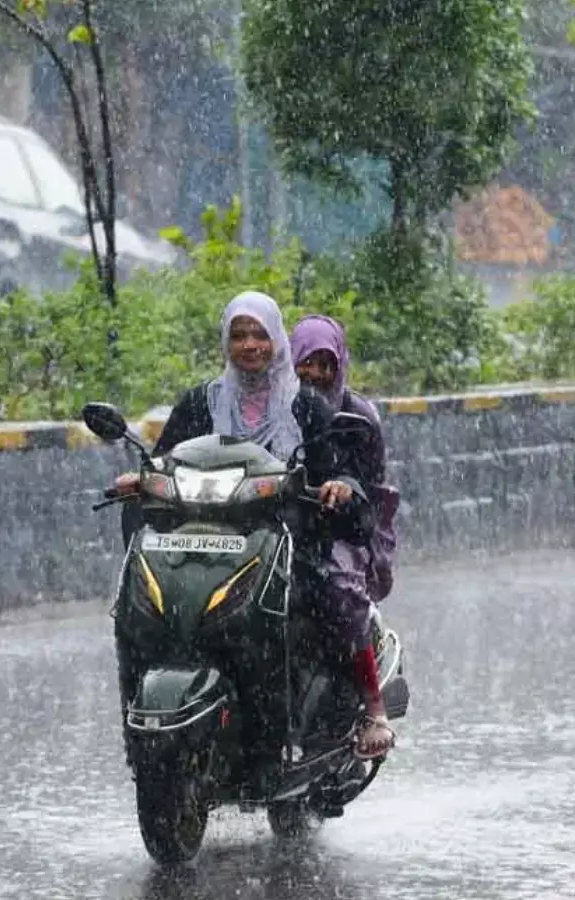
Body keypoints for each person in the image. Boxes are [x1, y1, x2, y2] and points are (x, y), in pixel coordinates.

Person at [113, 291, 394, 760]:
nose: (249, 345)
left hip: (287, 542)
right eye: (239, 335)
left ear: (276, 340)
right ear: (225, 341)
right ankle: (139, 734)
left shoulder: (306, 406)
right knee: (138, 608)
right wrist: (140, 479)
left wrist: (339, 486)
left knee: (333, 597)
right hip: (204, 544)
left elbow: (340, 468)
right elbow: (164, 458)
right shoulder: (201, 402)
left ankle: (369, 707)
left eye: (259, 335)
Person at [289, 314, 399, 758]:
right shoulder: (276, 404)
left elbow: (372, 484)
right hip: (280, 521)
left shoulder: (358, 414)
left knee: (337, 589)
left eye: (325, 364)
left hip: (345, 525)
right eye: (305, 362)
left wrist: (344, 491)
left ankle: (374, 706)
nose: (315, 373)